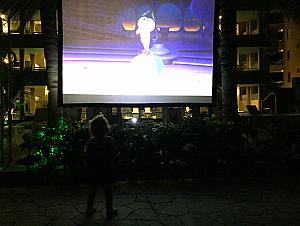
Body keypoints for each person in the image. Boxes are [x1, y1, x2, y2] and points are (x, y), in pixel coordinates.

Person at [85, 114, 118, 219]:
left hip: (94, 170)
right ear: (106, 128)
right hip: (107, 170)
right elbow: (114, 156)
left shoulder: (91, 142)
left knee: (92, 190)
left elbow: (88, 157)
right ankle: (109, 210)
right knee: (108, 190)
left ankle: (89, 208)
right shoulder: (109, 140)